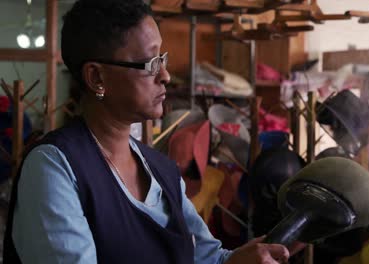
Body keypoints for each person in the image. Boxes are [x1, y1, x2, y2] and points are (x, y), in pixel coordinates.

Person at [3, 0, 290, 263]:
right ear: (96, 77)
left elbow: (206, 258)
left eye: (162, 58)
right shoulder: (55, 167)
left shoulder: (162, 171)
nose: (164, 75)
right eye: (150, 63)